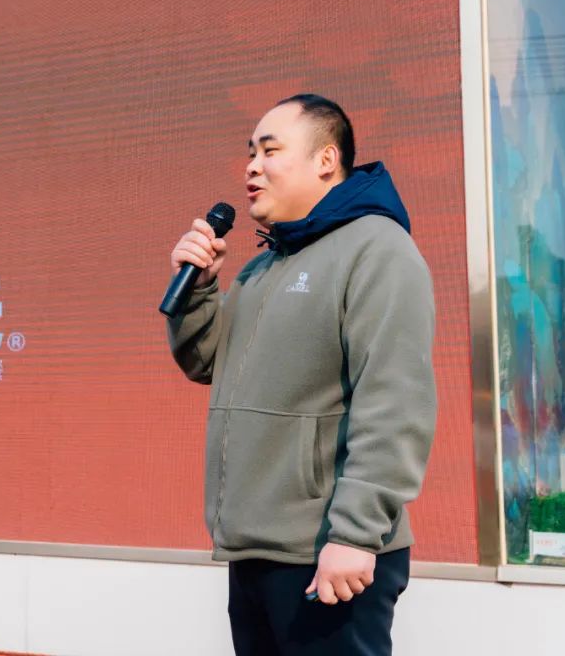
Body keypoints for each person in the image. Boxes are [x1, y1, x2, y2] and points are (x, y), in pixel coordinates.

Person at [166, 94, 437, 656]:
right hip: (258, 549)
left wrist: (355, 535)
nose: (252, 166)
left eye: (270, 151)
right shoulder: (263, 267)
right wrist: (199, 289)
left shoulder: (377, 248)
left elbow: (395, 402)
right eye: (250, 153)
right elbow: (206, 364)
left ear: (326, 160)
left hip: (328, 552)